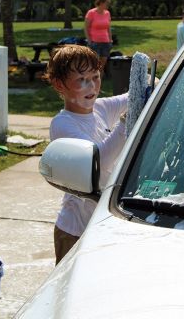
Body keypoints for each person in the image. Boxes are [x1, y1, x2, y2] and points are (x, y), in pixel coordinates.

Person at [44, 44, 128, 264]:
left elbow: (133, 96)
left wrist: (153, 83)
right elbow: (97, 163)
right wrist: (125, 124)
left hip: (100, 224)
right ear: (59, 84)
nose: (92, 85)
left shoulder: (100, 109)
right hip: (75, 232)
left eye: (96, 76)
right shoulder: (63, 124)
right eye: (82, 79)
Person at [84, 0, 113, 74]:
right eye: (107, 2)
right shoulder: (91, 13)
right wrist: (89, 41)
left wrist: (110, 40)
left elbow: (108, 28)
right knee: (94, 64)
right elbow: (86, 27)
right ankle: (91, 82)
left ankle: (99, 82)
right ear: (101, 2)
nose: (108, 4)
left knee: (102, 65)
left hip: (106, 42)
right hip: (94, 42)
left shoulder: (107, 13)